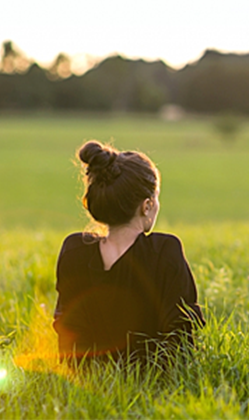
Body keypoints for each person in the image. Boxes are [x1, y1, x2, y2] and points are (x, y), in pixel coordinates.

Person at [53, 140, 204, 362]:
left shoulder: (75, 251)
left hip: (84, 382)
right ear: (147, 206)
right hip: (156, 383)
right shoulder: (164, 251)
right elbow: (181, 335)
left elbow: (68, 334)